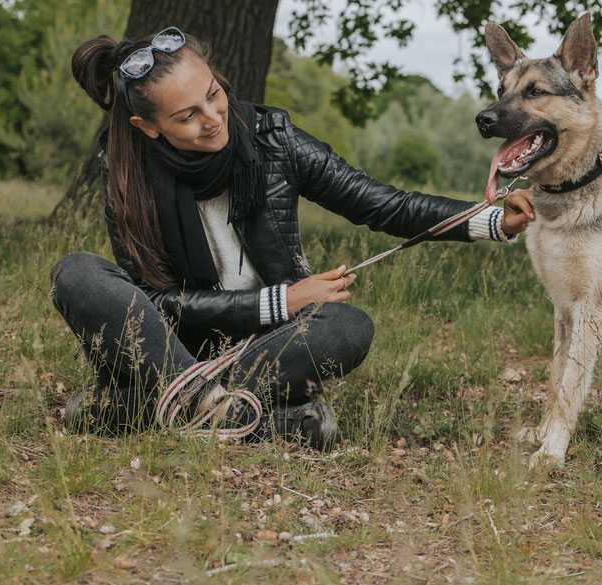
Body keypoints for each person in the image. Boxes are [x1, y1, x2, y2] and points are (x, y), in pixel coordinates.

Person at [51, 26, 535, 449]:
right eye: (187, 116)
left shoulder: (272, 137)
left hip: (262, 347)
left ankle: (139, 409)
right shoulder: (124, 169)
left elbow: (381, 203)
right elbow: (154, 303)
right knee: (76, 273)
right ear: (147, 127)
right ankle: (239, 413)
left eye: (213, 93)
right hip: (171, 347)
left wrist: (491, 219)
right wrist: (282, 300)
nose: (214, 117)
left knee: (348, 326)